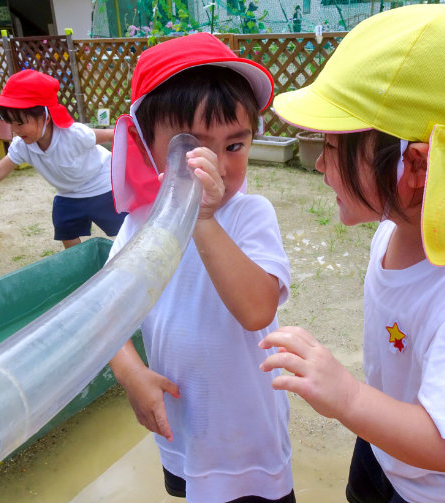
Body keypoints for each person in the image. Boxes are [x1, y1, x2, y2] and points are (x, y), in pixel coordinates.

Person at [260, 5, 445, 503]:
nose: (320, 162)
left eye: (334, 145)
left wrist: (346, 396)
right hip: (389, 439)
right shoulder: (396, 228)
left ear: (416, 165)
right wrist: (362, 408)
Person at [107, 33, 294, 503]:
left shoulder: (249, 215)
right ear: (147, 147)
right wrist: (131, 374)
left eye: (235, 145)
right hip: (183, 430)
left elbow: (257, 310)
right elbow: (105, 313)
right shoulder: (139, 224)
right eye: (193, 147)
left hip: (247, 436)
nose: (219, 167)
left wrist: (204, 219)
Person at [0, 69, 125, 248]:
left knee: (124, 230)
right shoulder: (22, 146)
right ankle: (80, 264)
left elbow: (112, 134)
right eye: (10, 123)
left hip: (102, 187)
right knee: (65, 228)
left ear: (46, 117)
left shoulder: (73, 134)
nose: (15, 129)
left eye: (20, 123)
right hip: (68, 193)